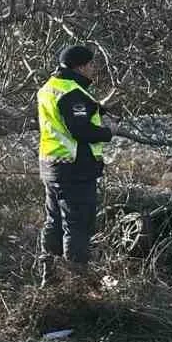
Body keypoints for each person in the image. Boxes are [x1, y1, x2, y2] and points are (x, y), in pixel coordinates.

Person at [36, 43, 118, 282]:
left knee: (54, 223)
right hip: (75, 169)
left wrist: (97, 108)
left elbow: (65, 120)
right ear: (80, 66)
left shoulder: (49, 88)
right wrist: (108, 132)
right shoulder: (72, 92)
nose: (93, 69)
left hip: (51, 166)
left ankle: (50, 278)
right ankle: (75, 284)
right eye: (91, 64)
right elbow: (80, 130)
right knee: (78, 226)